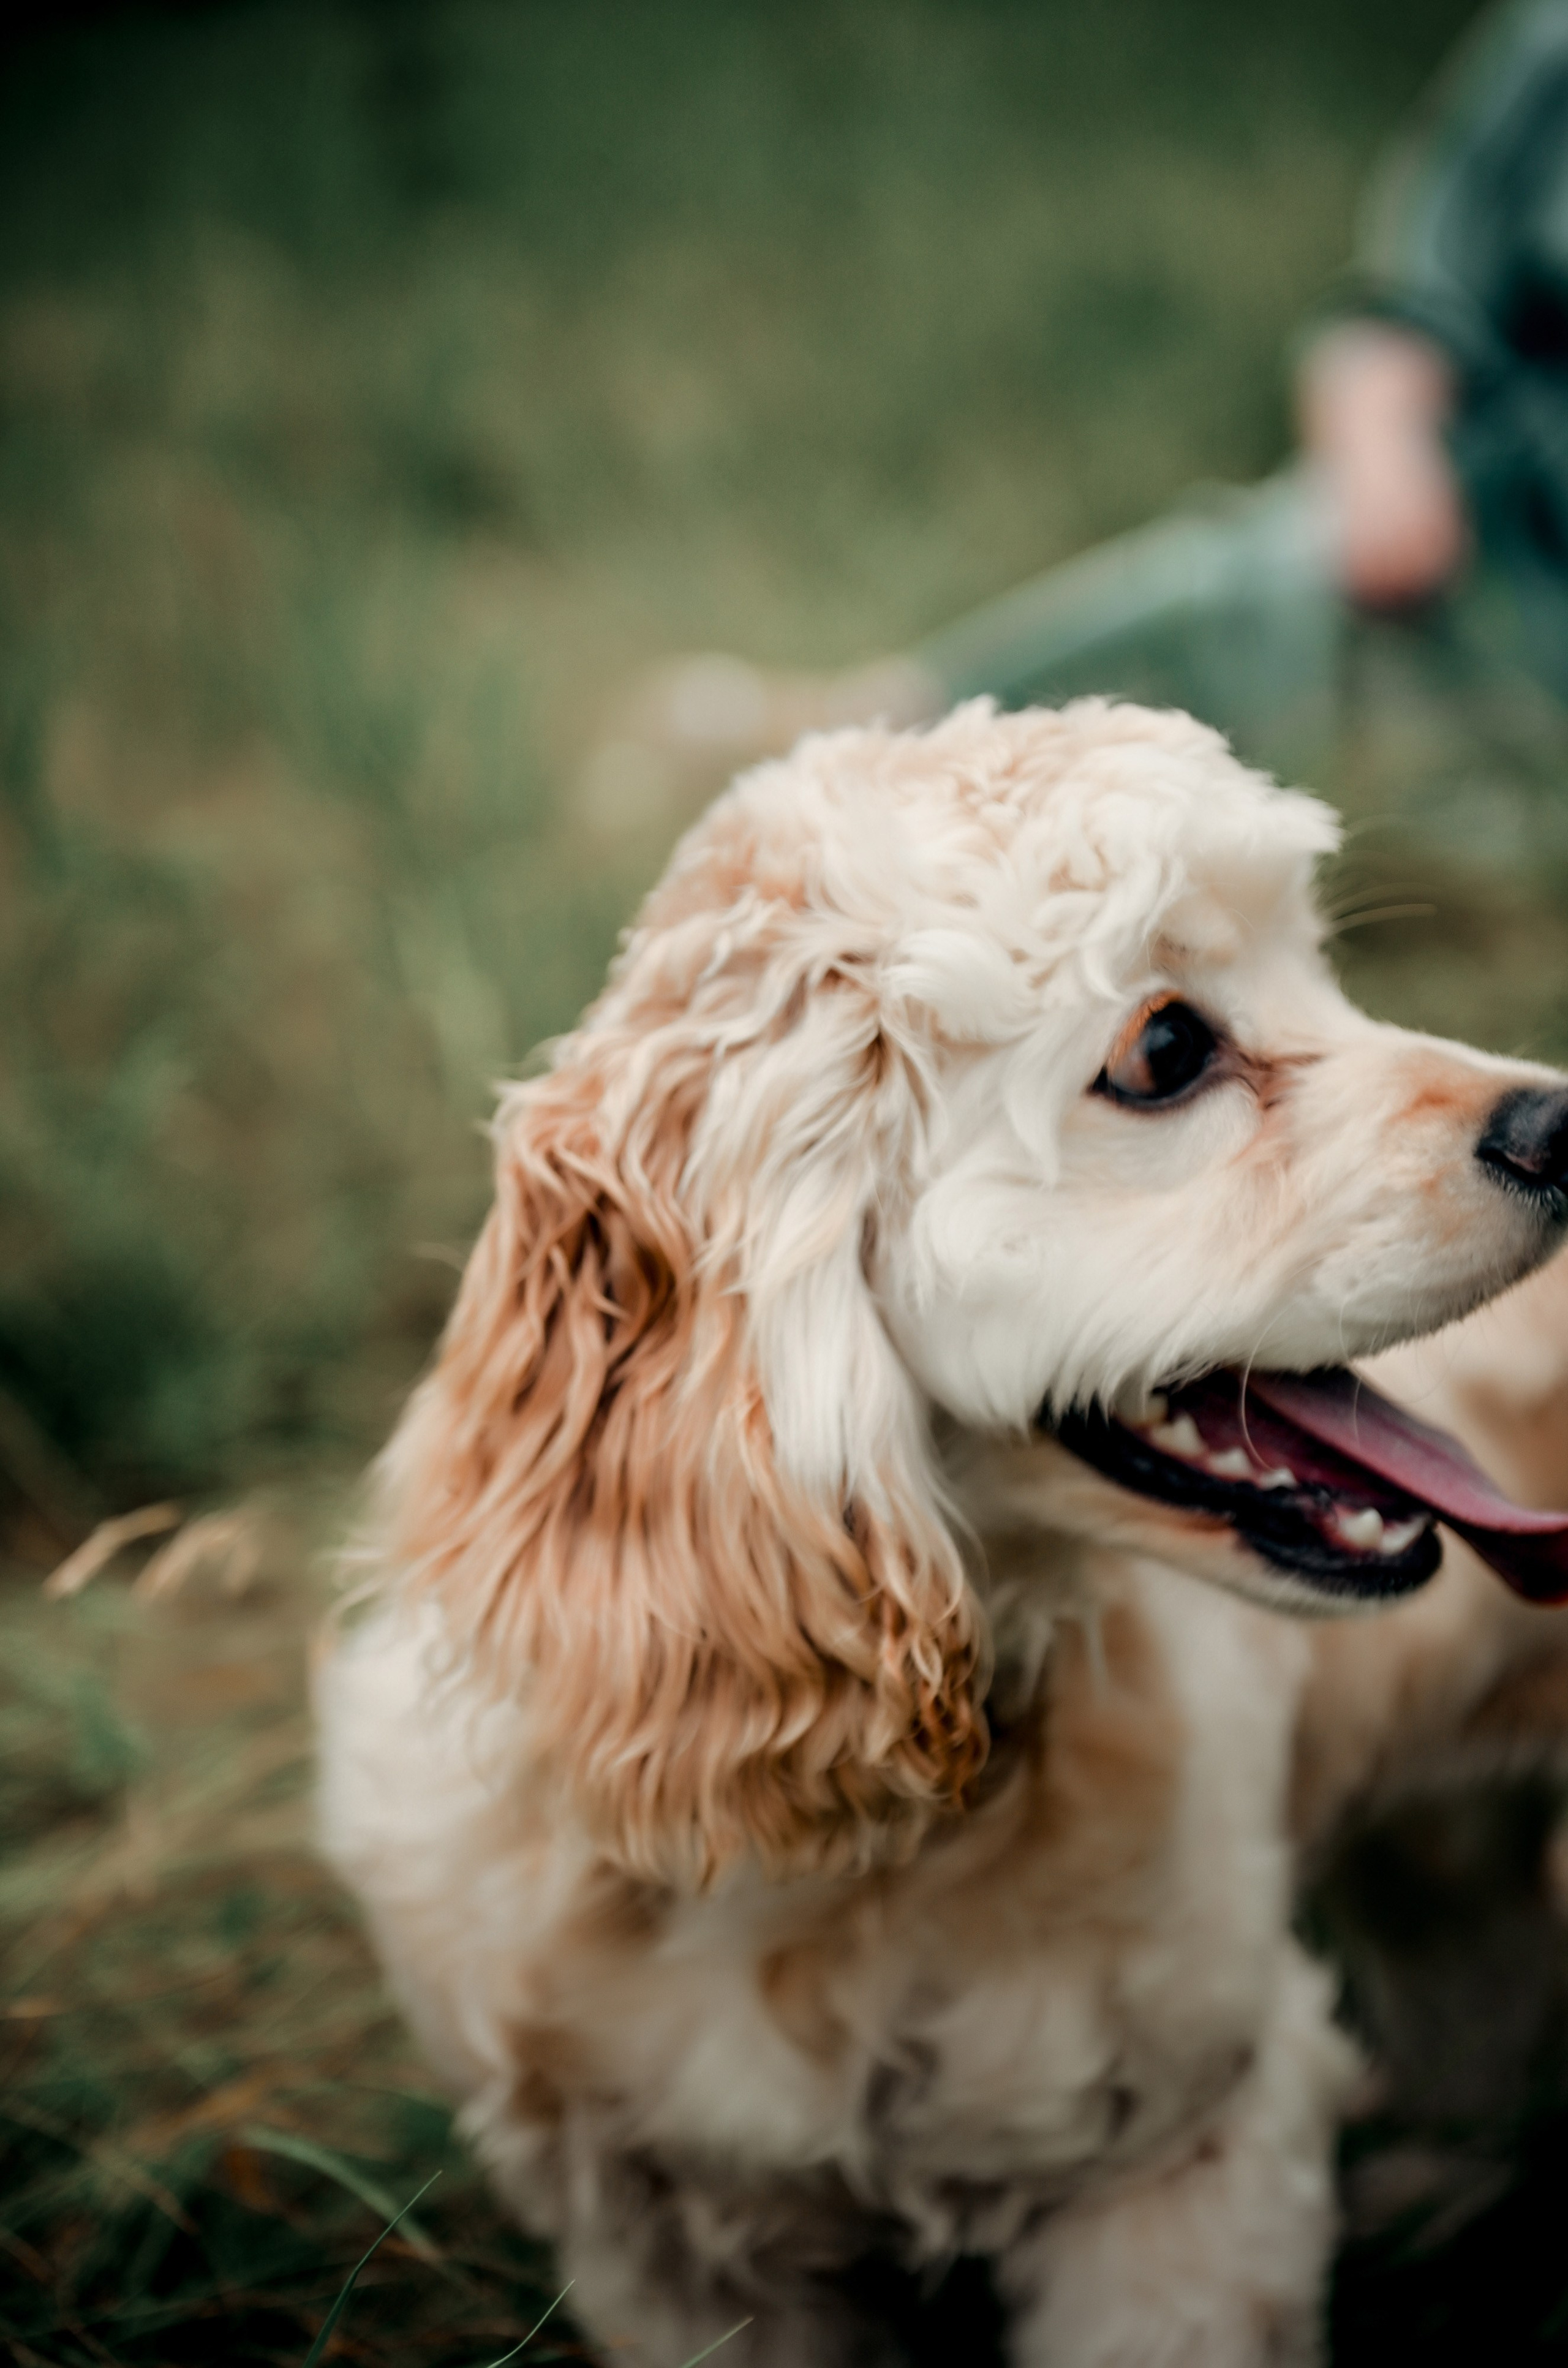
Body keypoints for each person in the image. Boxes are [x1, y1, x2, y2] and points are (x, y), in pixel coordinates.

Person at [605, 1, 1568, 861]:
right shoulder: (1547, 40)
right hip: (1485, 537)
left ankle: (907, 781)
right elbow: (1409, 302)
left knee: (1391, 794)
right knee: (1259, 584)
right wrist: (1381, 449)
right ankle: (887, 739)